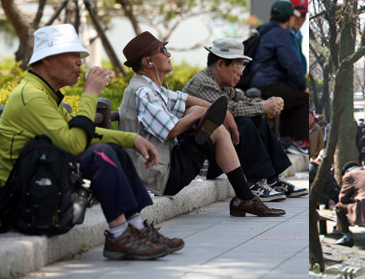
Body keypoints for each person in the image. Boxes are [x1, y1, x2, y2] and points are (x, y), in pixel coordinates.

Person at [0, 24, 180, 260]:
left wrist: (132, 139)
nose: (80, 62)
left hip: (43, 182)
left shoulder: (43, 93)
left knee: (112, 149)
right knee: (99, 154)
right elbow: (74, 144)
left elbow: (80, 133)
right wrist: (90, 94)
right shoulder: (31, 96)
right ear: (49, 60)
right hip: (26, 197)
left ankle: (136, 227)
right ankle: (119, 234)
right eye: (73, 55)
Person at [118, 31, 285, 216]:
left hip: (164, 166)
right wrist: (199, 113)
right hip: (157, 176)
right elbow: (171, 131)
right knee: (213, 127)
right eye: (163, 50)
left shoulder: (153, 88)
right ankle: (245, 197)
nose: (169, 54)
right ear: (148, 62)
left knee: (203, 115)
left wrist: (224, 114)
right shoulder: (143, 92)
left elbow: (186, 99)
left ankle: (246, 196)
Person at [181, 37, 307, 200]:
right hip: (199, 160)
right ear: (220, 64)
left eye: (242, 66)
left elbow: (245, 101)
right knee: (242, 122)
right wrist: (263, 107)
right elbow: (229, 111)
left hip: (215, 153)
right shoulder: (202, 83)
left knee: (256, 120)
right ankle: (253, 181)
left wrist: (268, 104)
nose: (241, 72)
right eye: (238, 66)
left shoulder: (223, 86)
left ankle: (273, 179)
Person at [250, 0, 309, 149]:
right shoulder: (282, 34)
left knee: (289, 96)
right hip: (270, 83)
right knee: (303, 98)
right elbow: (291, 63)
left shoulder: (263, 29)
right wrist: (303, 86)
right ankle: (300, 142)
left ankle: (285, 139)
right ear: (290, 18)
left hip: (255, 81)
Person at [289, 0, 308, 76]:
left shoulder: (298, 35)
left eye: (303, 15)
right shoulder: (280, 35)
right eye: (296, 15)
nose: (299, 19)